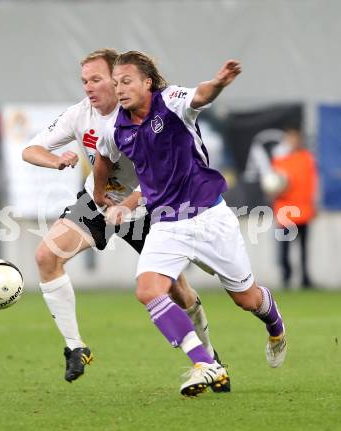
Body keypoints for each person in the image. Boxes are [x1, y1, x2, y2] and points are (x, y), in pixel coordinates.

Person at [22, 49, 229, 390]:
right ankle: (76, 347)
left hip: (150, 206)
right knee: (47, 256)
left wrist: (130, 204)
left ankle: (210, 359)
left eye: (97, 79)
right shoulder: (80, 114)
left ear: (118, 80)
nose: (90, 87)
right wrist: (56, 160)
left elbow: (171, 161)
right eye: (85, 81)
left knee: (178, 290)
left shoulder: (144, 110)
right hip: (100, 201)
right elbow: (30, 149)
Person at [94, 51, 286, 397]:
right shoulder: (115, 129)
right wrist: (114, 202)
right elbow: (105, 161)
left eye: (127, 81)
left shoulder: (170, 101)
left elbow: (201, 94)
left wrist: (219, 84)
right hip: (166, 224)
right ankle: (205, 362)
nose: (119, 89)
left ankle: (275, 325)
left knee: (246, 299)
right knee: (148, 290)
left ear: (147, 82)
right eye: (116, 82)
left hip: (210, 218)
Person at [271, 129, 317, 288]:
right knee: (284, 248)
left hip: (303, 210)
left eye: (296, 139)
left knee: (304, 248)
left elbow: (312, 183)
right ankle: (286, 278)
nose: (293, 142)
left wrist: (313, 204)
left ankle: (305, 278)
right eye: (290, 139)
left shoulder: (306, 158)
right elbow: (273, 185)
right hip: (285, 211)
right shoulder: (279, 160)